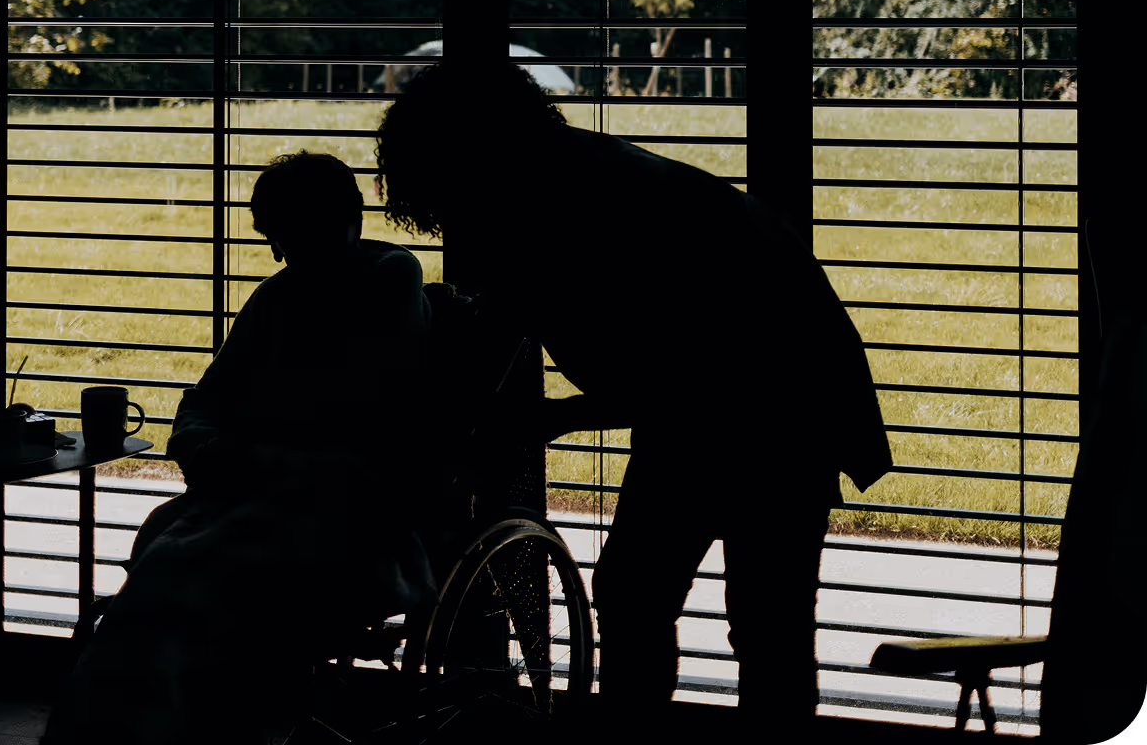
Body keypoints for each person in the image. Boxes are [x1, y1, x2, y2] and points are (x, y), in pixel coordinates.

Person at [373, 63, 893, 730]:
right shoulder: (552, 182)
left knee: (721, 613)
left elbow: (687, 369)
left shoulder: (583, 202)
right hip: (754, 399)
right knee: (705, 612)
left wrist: (542, 419)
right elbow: (509, 326)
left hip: (778, 406)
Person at [42, 151, 441, 745]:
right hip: (254, 493)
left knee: (177, 578)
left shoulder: (389, 280)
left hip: (342, 508)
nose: (278, 254)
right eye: (272, 237)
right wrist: (202, 447)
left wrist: (249, 449)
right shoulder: (278, 296)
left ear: (345, 219)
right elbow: (206, 400)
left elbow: (357, 412)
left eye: (286, 233)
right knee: (163, 568)